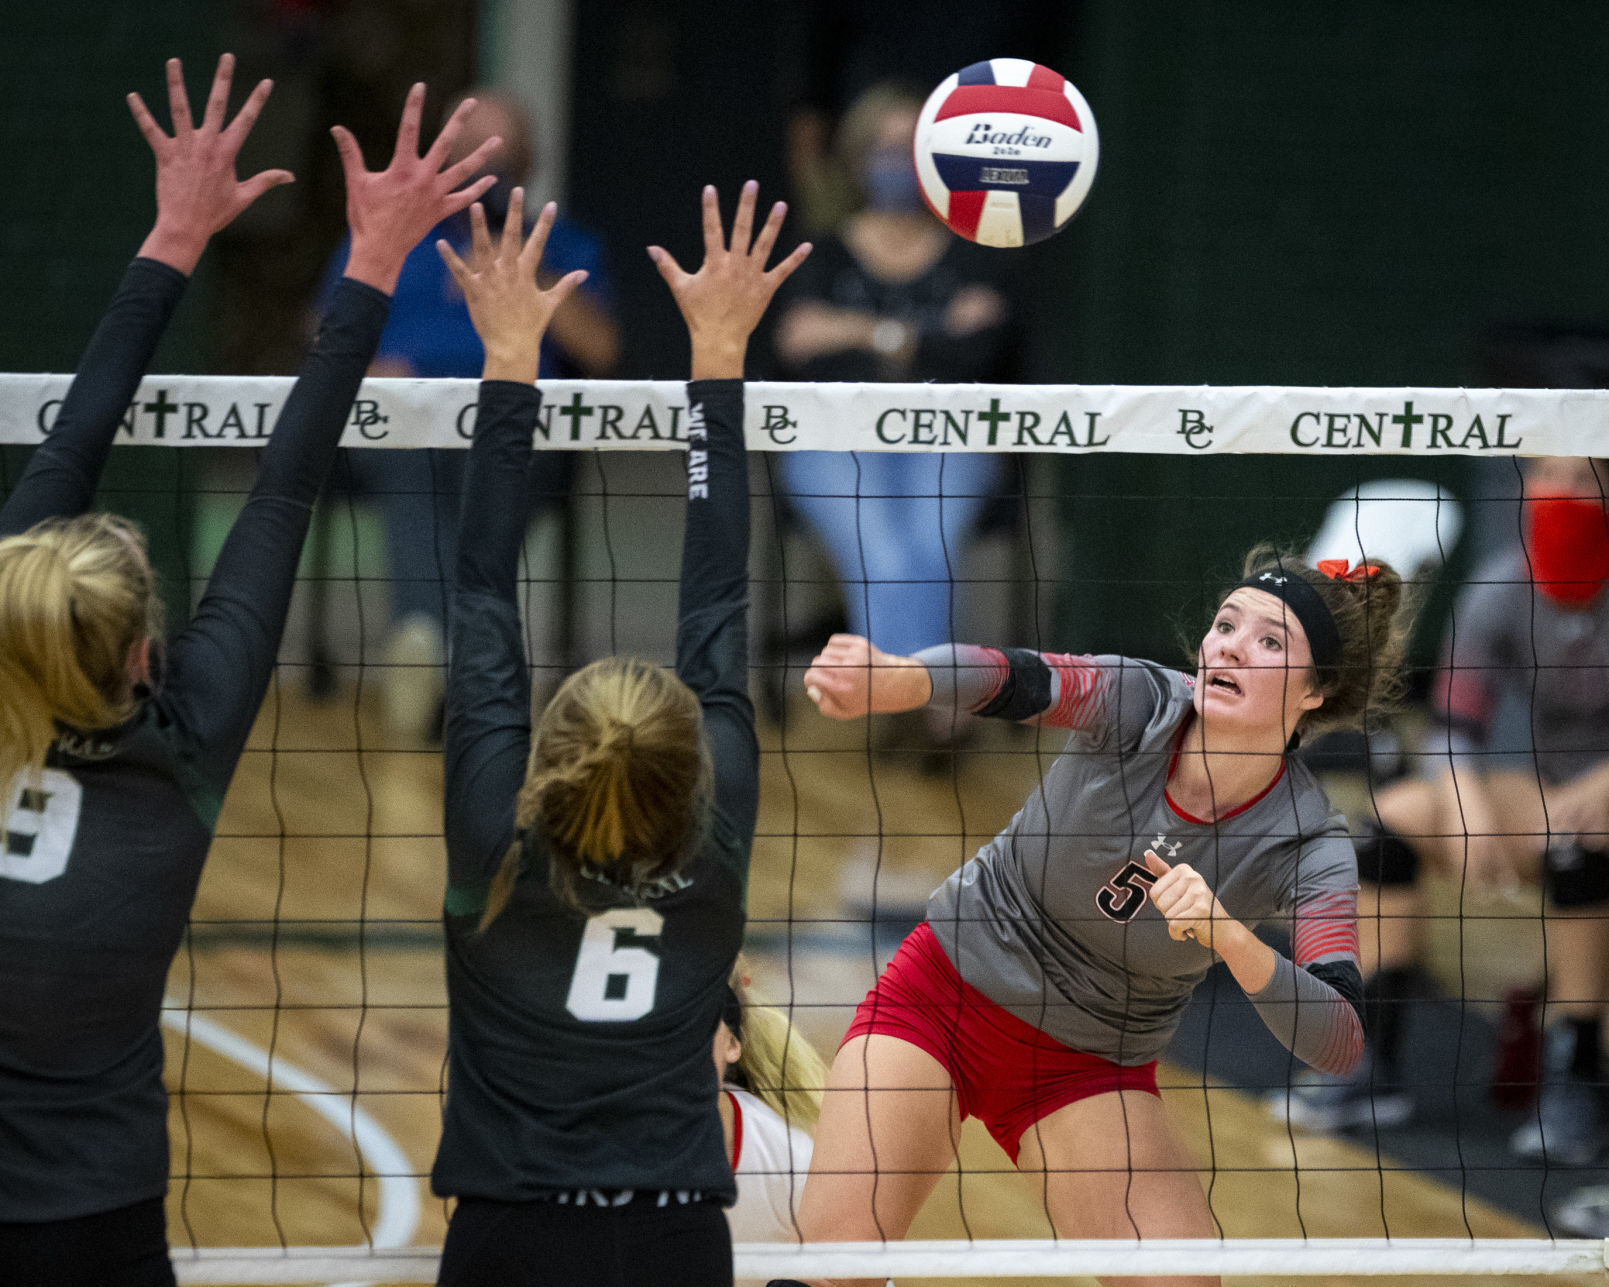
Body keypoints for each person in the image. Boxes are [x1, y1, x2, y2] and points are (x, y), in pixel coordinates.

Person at [0, 56, 498, 1285]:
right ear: (140, 655)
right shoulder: (181, 752)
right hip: (92, 1221)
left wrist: (173, 234)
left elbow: (71, 436)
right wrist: (373, 263)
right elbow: (283, 487)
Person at [783, 547, 1412, 1287]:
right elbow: (1012, 675)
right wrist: (900, 680)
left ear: (1316, 692)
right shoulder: (1141, 700)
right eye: (1225, 624)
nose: (1230, 646)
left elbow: (1337, 1041)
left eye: (1270, 641)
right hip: (942, 996)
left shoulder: (1308, 842)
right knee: (829, 1268)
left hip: (1085, 1064)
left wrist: (1232, 939)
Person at [429, 182, 809, 1287]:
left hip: (507, 1232)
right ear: (690, 768)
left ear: (551, 752)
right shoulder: (715, 837)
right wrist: (720, 355)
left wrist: (510, 360)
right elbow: (717, 606)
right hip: (677, 1233)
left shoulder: (497, 847)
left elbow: (479, 594)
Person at [1275, 457, 1609, 1156]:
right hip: (1551, 797)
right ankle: (1371, 1063)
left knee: (1580, 833)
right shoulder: (1501, 590)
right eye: (1547, 479)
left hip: (1594, 802)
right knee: (1389, 820)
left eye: (1581, 480)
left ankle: (1575, 1077)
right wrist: (1465, 805)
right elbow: (1453, 728)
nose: (1562, 497)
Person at [317, 89, 622, 740]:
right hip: (405, 427)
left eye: (501, 155)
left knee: (493, 469)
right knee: (415, 460)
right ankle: (452, 656)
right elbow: (326, 335)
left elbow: (600, 348)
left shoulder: (563, 244)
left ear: (527, 162)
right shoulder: (393, 237)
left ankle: (430, 641)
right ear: (441, 157)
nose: (483, 168)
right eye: (466, 152)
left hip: (520, 431)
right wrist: (370, 366)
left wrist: (524, 270)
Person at [769, 82, 1017, 746]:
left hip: (948, 439)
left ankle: (905, 692)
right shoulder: (822, 252)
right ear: (855, 160)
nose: (896, 163)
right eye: (882, 148)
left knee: (927, 540)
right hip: (834, 441)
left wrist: (855, 331)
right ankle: (929, 697)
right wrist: (918, 333)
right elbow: (796, 344)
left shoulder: (970, 252)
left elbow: (981, 350)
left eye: (910, 148)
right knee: (881, 545)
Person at [716, 961, 827, 1266]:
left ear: (731, 1043)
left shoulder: (790, 1160)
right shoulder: (583, 1153)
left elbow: (860, 1276)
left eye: (690, 1022)